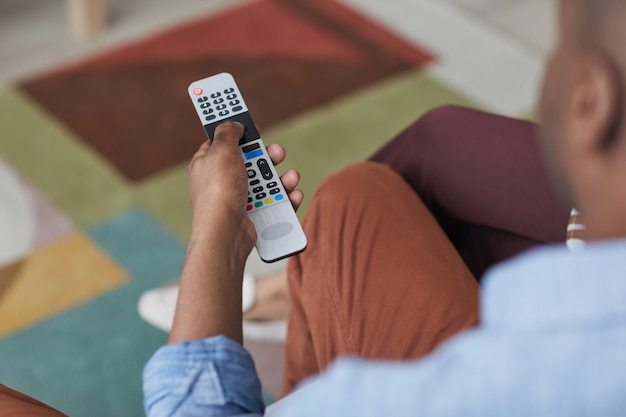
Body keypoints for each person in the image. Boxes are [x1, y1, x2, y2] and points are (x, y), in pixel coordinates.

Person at [143, 0, 626, 415]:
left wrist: (218, 236)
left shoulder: (462, 392)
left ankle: (301, 323)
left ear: (591, 99)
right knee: (441, 150)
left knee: (347, 204)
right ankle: (298, 291)